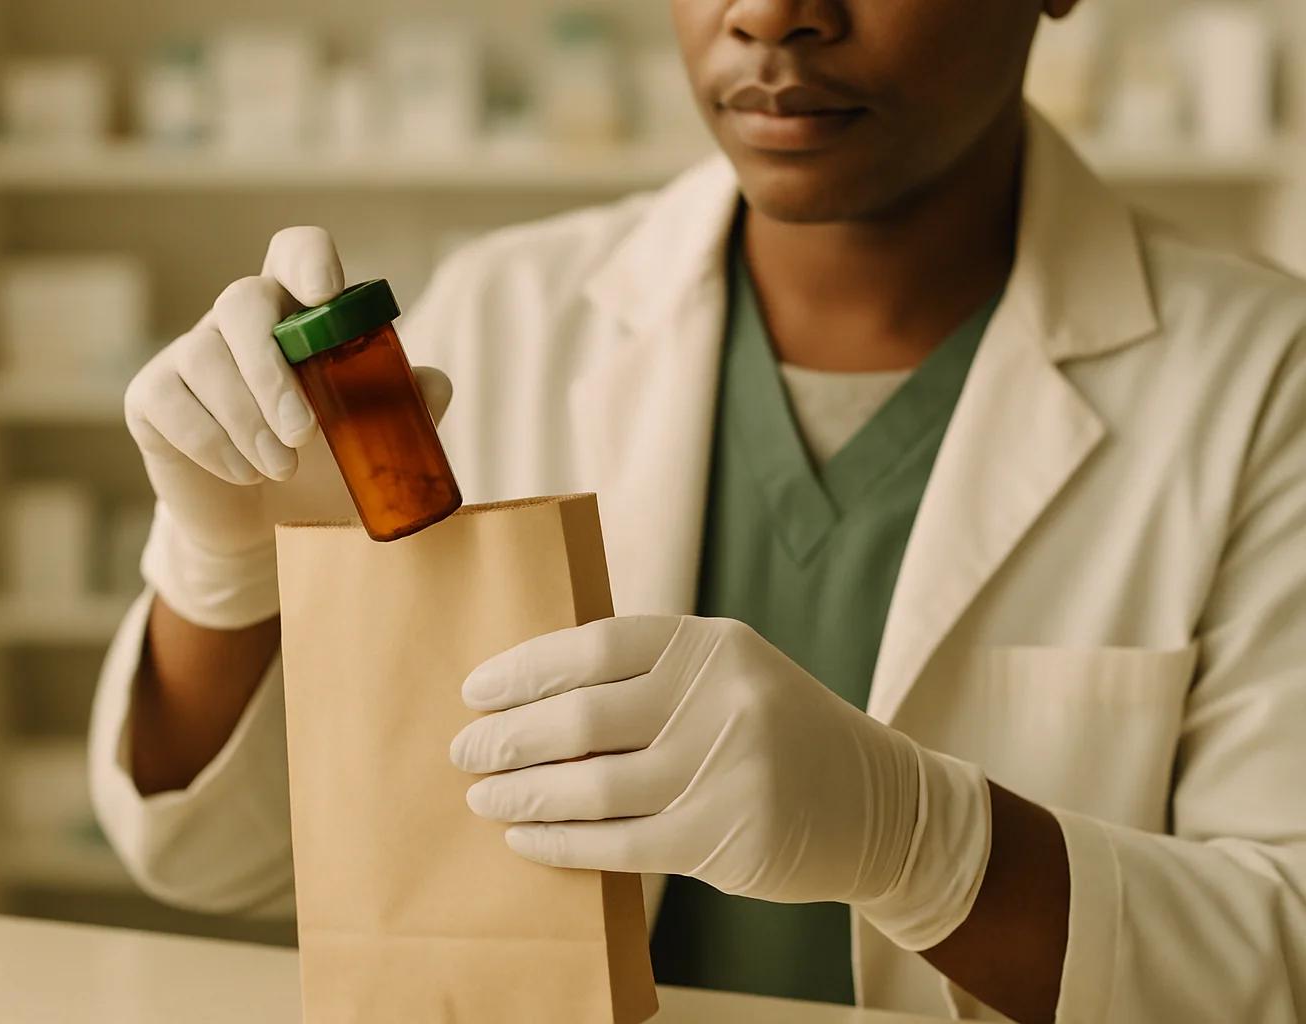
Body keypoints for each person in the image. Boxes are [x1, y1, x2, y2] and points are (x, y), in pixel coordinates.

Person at [89, 1, 1306, 1020]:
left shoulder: (1261, 381)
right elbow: (216, 857)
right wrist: (225, 566)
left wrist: (938, 848)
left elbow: (1284, 960)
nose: (770, 12)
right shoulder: (509, 313)